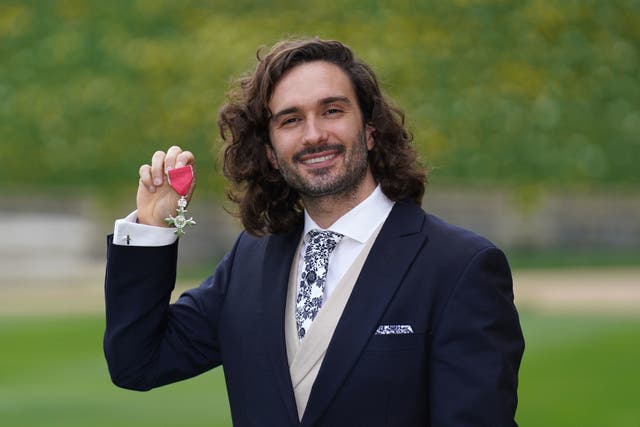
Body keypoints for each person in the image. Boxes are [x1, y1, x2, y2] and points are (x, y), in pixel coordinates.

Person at [104, 38, 525, 426]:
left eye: (332, 110)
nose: (314, 134)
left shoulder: (459, 266)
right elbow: (138, 362)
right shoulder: (250, 260)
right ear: (269, 152)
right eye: (290, 120)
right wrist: (153, 229)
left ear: (371, 130)